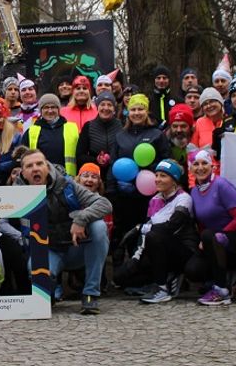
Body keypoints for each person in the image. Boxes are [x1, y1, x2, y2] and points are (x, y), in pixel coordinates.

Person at [15, 148, 112, 315]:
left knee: (99, 227)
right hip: (47, 251)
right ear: (23, 173)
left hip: (76, 247)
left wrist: (81, 219)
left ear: (47, 166)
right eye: (30, 166)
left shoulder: (66, 184)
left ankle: (90, 293)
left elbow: (104, 204)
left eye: (40, 164)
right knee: (34, 271)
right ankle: (48, 293)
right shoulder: (16, 192)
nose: (36, 168)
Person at [188, 150, 236, 303]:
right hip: (214, 238)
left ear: (213, 166)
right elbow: (202, 223)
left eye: (204, 163)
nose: (200, 168)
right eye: (195, 164)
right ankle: (221, 277)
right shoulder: (194, 192)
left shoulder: (221, 185)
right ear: (190, 169)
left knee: (211, 236)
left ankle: (221, 290)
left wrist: (220, 234)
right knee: (193, 270)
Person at [115, 159, 195, 304]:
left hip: (182, 250)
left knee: (155, 234)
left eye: (163, 176)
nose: (157, 179)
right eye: (156, 175)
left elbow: (171, 226)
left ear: (174, 180)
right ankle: (163, 279)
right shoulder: (154, 200)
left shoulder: (184, 199)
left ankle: (162, 288)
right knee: (121, 277)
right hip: (158, 249)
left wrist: (142, 228)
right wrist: (136, 257)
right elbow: (146, 229)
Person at [108, 94, 171, 240]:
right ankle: (120, 260)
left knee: (146, 232)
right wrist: (112, 191)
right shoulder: (120, 136)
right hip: (124, 194)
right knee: (123, 232)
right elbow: (113, 163)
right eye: (133, 109)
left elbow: (165, 161)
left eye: (140, 109)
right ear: (128, 113)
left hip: (149, 195)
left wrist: (148, 169)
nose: (137, 113)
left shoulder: (157, 134)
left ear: (146, 111)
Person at [21, 93, 78, 175]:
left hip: (67, 178)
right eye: (46, 107)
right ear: (41, 110)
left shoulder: (72, 128)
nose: (50, 111)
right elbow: (24, 157)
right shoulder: (31, 131)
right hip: (40, 178)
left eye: (53, 107)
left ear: (58, 110)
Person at [76, 92, 122, 181]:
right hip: (94, 177)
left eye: (109, 105)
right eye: (102, 104)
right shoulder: (88, 126)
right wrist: (97, 159)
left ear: (114, 108)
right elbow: (79, 156)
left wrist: (111, 159)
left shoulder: (121, 126)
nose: (106, 108)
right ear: (97, 107)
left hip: (117, 175)